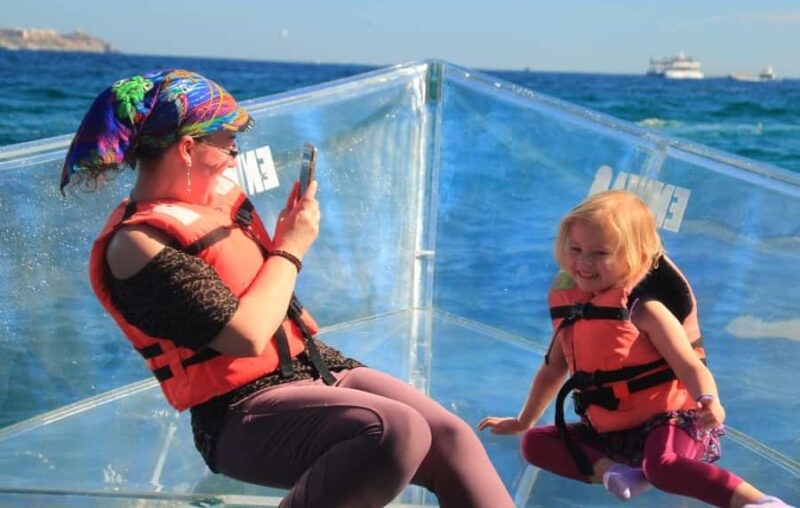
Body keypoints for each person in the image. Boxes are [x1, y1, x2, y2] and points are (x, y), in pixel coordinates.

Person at [61, 69, 514, 508]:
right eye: (228, 145)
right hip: (239, 411)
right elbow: (246, 335)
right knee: (395, 430)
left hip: (313, 367)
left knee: (449, 435)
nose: (235, 158)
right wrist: (291, 247)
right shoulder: (137, 244)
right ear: (186, 149)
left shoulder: (212, 201)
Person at [478, 190, 793, 507]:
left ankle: (759, 502)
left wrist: (709, 400)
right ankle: (617, 473)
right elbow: (553, 369)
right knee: (535, 444)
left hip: (672, 421)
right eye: (575, 249)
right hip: (613, 432)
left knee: (663, 466)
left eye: (600, 253)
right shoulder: (573, 307)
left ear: (636, 256)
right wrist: (524, 421)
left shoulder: (644, 308)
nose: (584, 262)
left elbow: (689, 365)